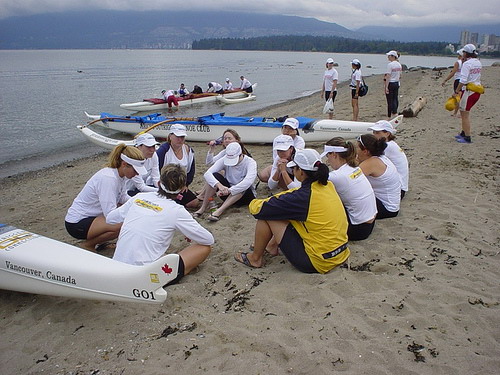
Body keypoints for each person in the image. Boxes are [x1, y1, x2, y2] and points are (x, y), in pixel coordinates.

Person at [234, 149, 350, 273]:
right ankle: (271, 246)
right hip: (340, 252)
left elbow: (257, 209)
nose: (293, 171)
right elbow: (294, 196)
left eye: (294, 168)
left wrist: (257, 202)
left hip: (319, 262)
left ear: (300, 171)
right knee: (284, 211)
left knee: (267, 213)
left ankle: (255, 258)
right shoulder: (327, 185)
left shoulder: (302, 197)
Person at [107, 164, 214, 285]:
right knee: (205, 248)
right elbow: (208, 239)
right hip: (145, 276)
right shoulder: (177, 211)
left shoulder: (139, 197)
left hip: (118, 267)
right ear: (183, 189)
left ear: (159, 183)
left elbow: (111, 219)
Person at [65, 144, 146, 251]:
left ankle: (101, 240)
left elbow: (122, 197)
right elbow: (110, 214)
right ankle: (88, 245)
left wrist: (141, 204)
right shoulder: (109, 178)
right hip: (77, 223)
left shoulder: (120, 176)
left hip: (93, 218)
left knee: (128, 218)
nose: (136, 174)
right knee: (123, 224)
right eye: (135, 170)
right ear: (124, 164)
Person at [321, 138, 377, 241]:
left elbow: (308, 187)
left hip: (358, 229)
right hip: (370, 222)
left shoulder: (337, 176)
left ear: (334, 154)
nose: (327, 160)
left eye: (327, 156)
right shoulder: (354, 168)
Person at [194, 142, 257, 222]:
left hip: (245, 196)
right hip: (226, 192)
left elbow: (248, 182)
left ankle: (219, 211)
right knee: (215, 176)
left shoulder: (251, 162)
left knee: (242, 187)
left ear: (241, 155)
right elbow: (207, 173)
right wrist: (220, 186)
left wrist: (229, 190)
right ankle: (202, 208)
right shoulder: (224, 159)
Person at [356, 134, 401, 219]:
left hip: (387, 208)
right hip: (392, 205)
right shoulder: (381, 158)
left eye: (357, 148)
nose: (355, 151)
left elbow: (349, 179)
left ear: (365, 151)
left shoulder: (372, 163)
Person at [156, 124, 199, 208]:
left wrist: (186, 184)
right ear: (170, 136)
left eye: (182, 137)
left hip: (179, 185)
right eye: (177, 136)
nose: (180, 139)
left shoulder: (188, 150)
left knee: (194, 202)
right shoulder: (163, 151)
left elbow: (191, 170)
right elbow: (156, 170)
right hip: (164, 185)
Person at [369, 120, 409, 198]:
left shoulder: (387, 146)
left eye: (377, 133)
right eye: (374, 132)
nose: (374, 135)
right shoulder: (392, 144)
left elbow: (371, 160)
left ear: (387, 134)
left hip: (397, 190)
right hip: (400, 186)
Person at [257, 117, 305, 182]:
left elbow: (297, 157)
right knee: (262, 176)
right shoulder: (277, 140)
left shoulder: (299, 141)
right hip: (281, 163)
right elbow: (276, 157)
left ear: (295, 131)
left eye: (290, 129)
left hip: (294, 166)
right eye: (285, 128)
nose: (287, 131)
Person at [453, 44, 482, 144]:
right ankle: (463, 132)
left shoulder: (467, 64)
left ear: (466, 53)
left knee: (464, 114)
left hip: (469, 91)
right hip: (477, 90)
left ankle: (467, 137)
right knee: (464, 111)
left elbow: (463, 80)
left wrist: (456, 91)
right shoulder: (478, 62)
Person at [441, 49, 464, 117]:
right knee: (462, 97)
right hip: (464, 80)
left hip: (458, 80)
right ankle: (458, 112)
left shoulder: (457, 63)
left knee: (457, 97)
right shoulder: (466, 63)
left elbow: (453, 73)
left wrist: (445, 80)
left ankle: (457, 113)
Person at [384, 50, 402, 118]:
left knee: (389, 100)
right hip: (396, 83)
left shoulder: (390, 65)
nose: (388, 57)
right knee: (395, 98)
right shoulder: (399, 64)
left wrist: (386, 86)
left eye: (389, 56)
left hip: (391, 83)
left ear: (393, 56)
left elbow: (388, 76)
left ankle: (389, 116)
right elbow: (400, 75)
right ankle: (395, 112)